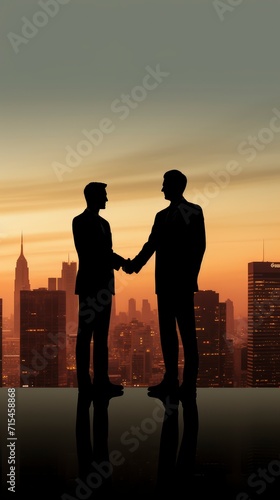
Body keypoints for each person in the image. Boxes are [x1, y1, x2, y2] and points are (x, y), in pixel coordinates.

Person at [123, 170, 206, 400]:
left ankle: (188, 385)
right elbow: (151, 245)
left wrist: (191, 277)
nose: (162, 189)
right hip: (165, 285)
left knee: (188, 336)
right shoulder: (161, 216)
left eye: (164, 185)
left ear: (176, 186)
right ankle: (171, 381)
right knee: (168, 334)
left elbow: (200, 247)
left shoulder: (193, 211)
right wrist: (133, 266)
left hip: (181, 284)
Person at [72, 181, 127, 399]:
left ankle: (101, 381)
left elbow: (106, 251)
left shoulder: (105, 223)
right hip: (89, 285)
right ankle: (84, 383)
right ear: (93, 197)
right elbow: (92, 251)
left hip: (104, 286)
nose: (107, 199)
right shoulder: (80, 221)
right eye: (104, 195)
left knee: (102, 336)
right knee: (85, 335)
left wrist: (118, 261)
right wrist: (124, 262)